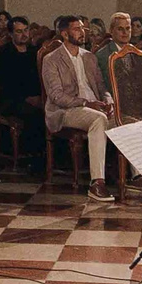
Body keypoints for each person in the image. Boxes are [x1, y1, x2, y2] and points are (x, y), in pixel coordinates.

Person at [42, 16, 115, 199]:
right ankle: (97, 183)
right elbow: (56, 96)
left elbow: (101, 87)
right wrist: (85, 103)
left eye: (84, 29)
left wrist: (109, 101)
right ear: (65, 34)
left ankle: (139, 177)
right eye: (77, 29)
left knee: (127, 118)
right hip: (66, 110)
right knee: (99, 120)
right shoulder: (51, 59)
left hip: (94, 106)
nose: (83, 33)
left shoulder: (89, 57)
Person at [0, 17, 45, 171]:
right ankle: (31, 157)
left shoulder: (34, 52)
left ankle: (47, 156)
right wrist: (28, 98)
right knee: (34, 113)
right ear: (11, 33)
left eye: (26, 30)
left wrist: (39, 97)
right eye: (19, 31)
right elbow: (6, 82)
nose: (24, 35)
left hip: (34, 96)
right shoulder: (3, 52)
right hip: (12, 98)